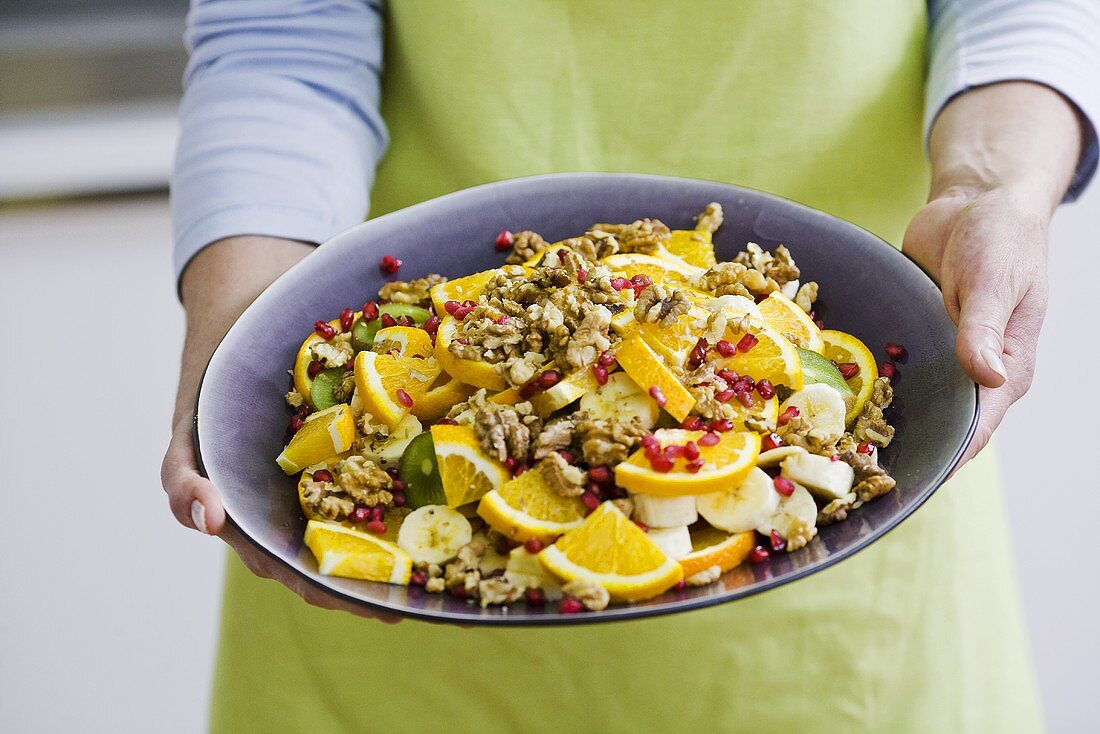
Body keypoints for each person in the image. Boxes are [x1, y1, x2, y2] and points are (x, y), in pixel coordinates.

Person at [162, 1, 1099, 730]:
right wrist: (246, 328)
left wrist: (990, 187)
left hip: (849, 582)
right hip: (404, 513)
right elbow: (276, 39)